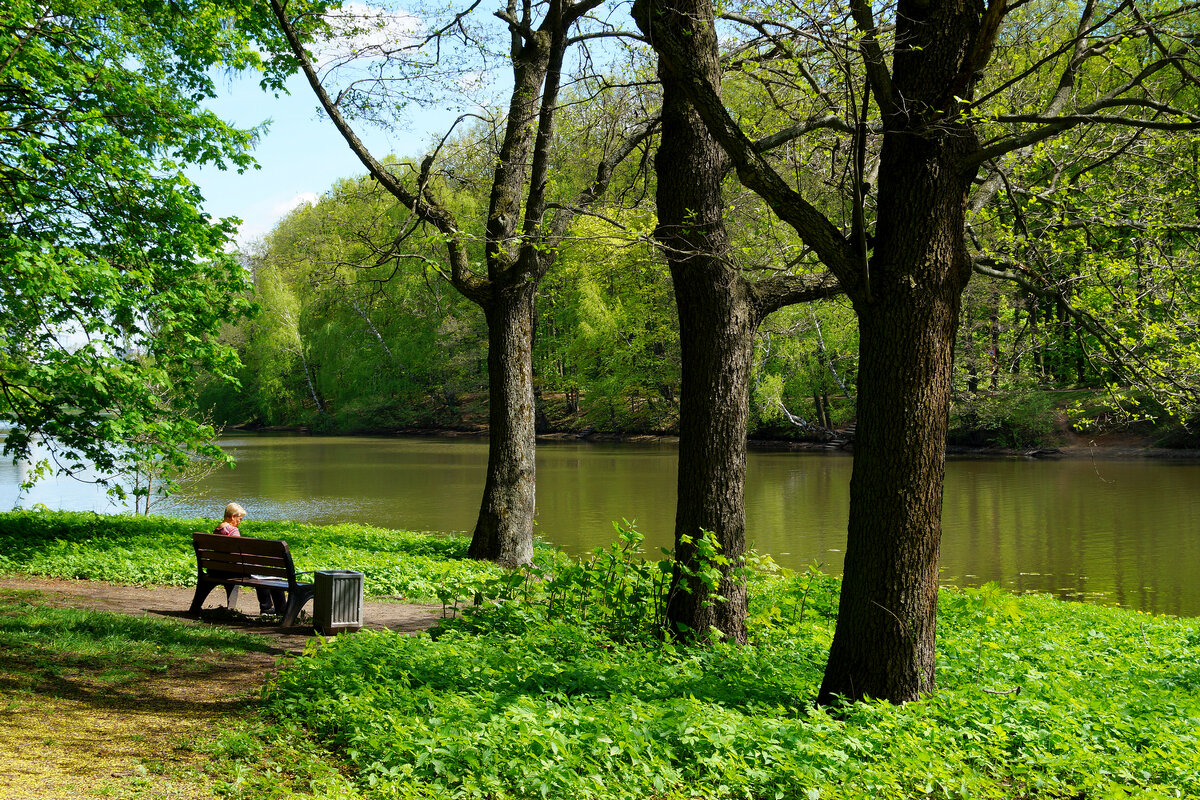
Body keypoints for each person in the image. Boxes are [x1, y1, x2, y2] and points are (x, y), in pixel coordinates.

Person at [213, 502, 287, 616]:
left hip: (220, 569)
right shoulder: (233, 531)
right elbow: (237, 555)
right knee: (266, 574)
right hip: (235, 570)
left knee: (260, 571)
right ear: (233, 516)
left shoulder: (217, 530)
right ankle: (276, 609)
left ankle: (267, 607)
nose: (240, 522)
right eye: (240, 519)